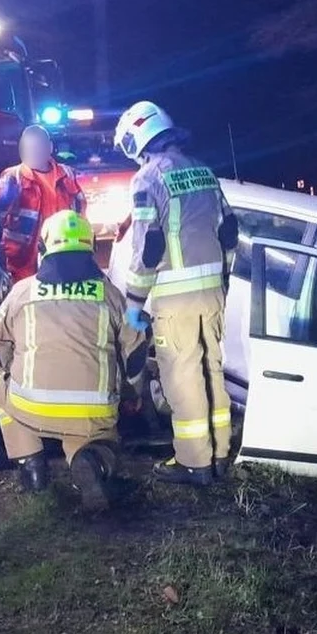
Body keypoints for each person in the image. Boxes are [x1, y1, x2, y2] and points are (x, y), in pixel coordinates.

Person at [116, 100, 239, 486]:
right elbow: (229, 230)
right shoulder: (203, 171)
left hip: (175, 297)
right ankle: (219, 454)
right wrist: (223, 277)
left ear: (138, 138)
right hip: (212, 293)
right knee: (211, 371)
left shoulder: (148, 178)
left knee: (182, 377)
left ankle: (193, 462)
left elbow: (148, 244)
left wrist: (135, 301)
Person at [0, 210, 145, 507]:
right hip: (90, 410)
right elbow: (135, 351)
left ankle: (31, 466)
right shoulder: (111, 295)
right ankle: (92, 461)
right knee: (98, 440)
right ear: (92, 248)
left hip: (28, 407)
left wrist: (8, 366)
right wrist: (132, 392)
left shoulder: (22, 291)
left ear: (44, 250)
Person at [0, 125, 86, 283]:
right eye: (28, 148)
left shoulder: (67, 174)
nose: (33, 153)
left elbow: (81, 211)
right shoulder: (13, 176)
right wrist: (2, 200)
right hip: (24, 260)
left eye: (37, 147)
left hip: (63, 254)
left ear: (50, 147)